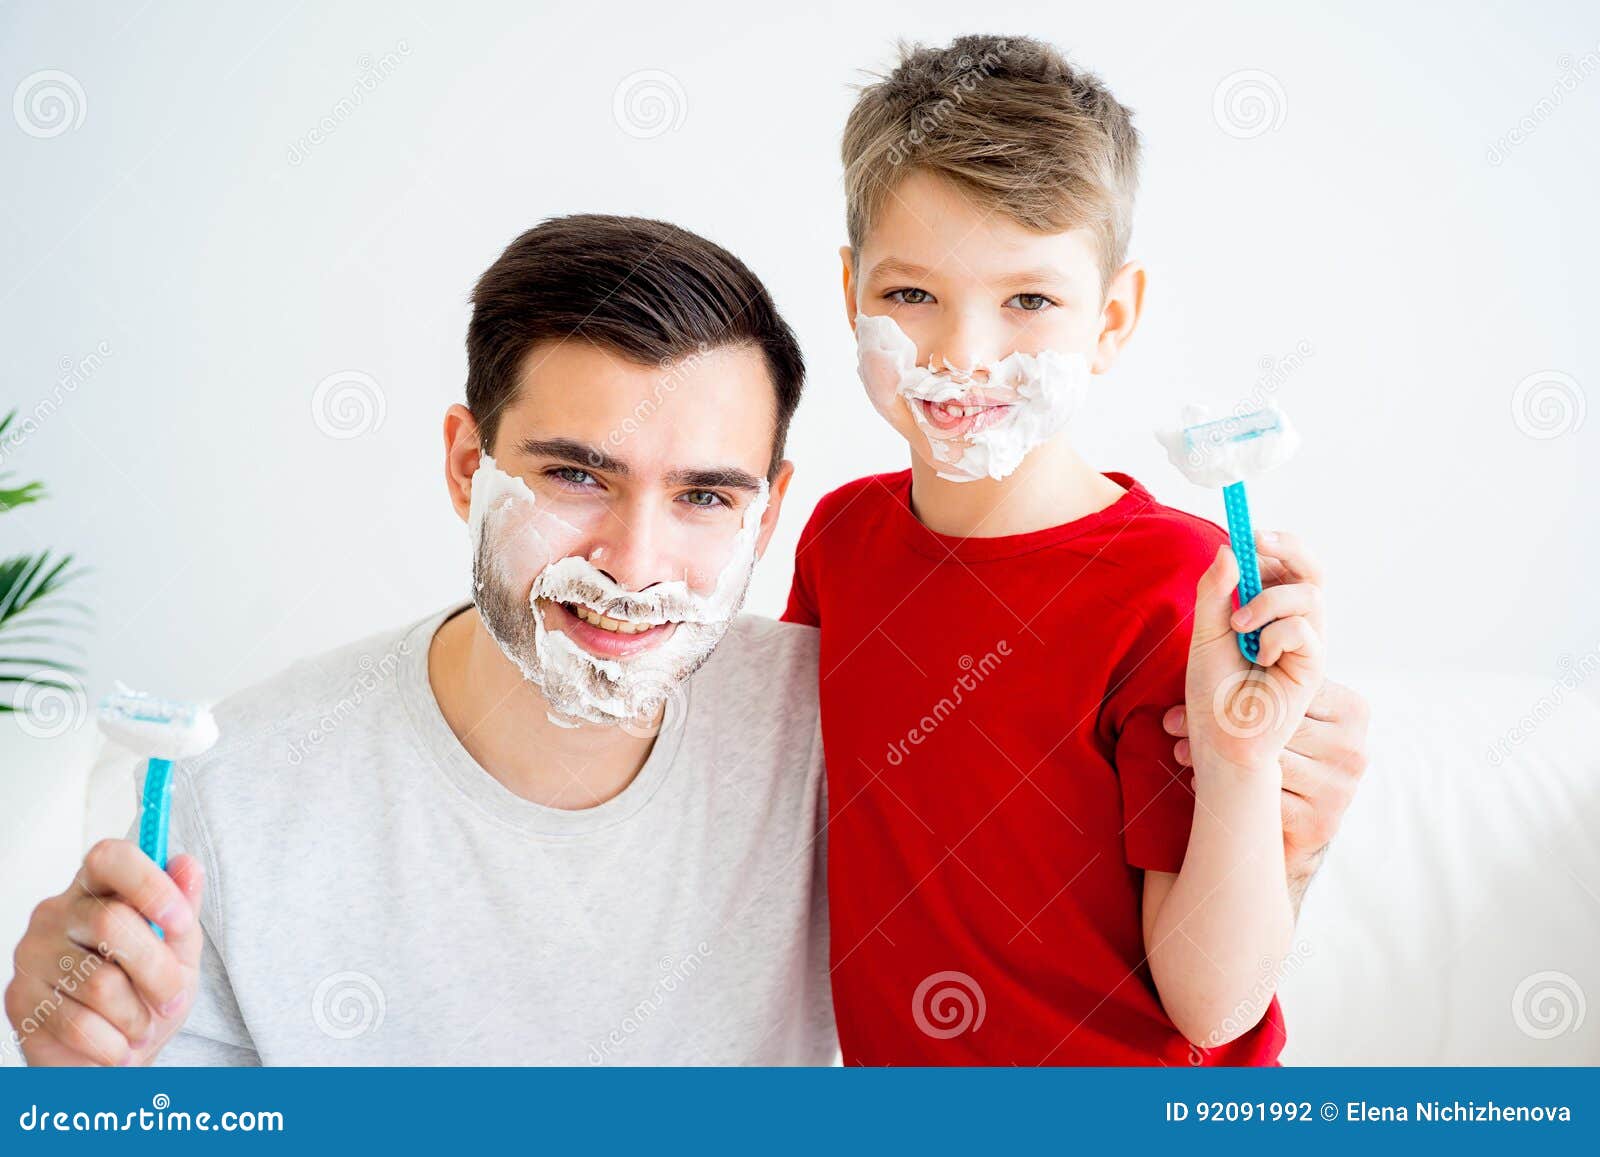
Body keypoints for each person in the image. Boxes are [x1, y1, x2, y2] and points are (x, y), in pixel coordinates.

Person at [5, 213, 1368, 1067]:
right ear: (462, 461)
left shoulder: (862, 719)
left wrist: (1269, 823)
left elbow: (1129, 992)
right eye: (575, 476)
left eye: (707, 496)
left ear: (775, 512)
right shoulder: (240, 795)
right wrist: (71, 1085)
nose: (636, 564)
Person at [783, 34, 1355, 1064]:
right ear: (849, 294)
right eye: (910, 295)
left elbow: (1214, 1007)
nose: (964, 353)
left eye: (1030, 301)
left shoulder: (1177, 590)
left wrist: (1238, 768)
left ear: (1112, 318)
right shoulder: (839, 541)